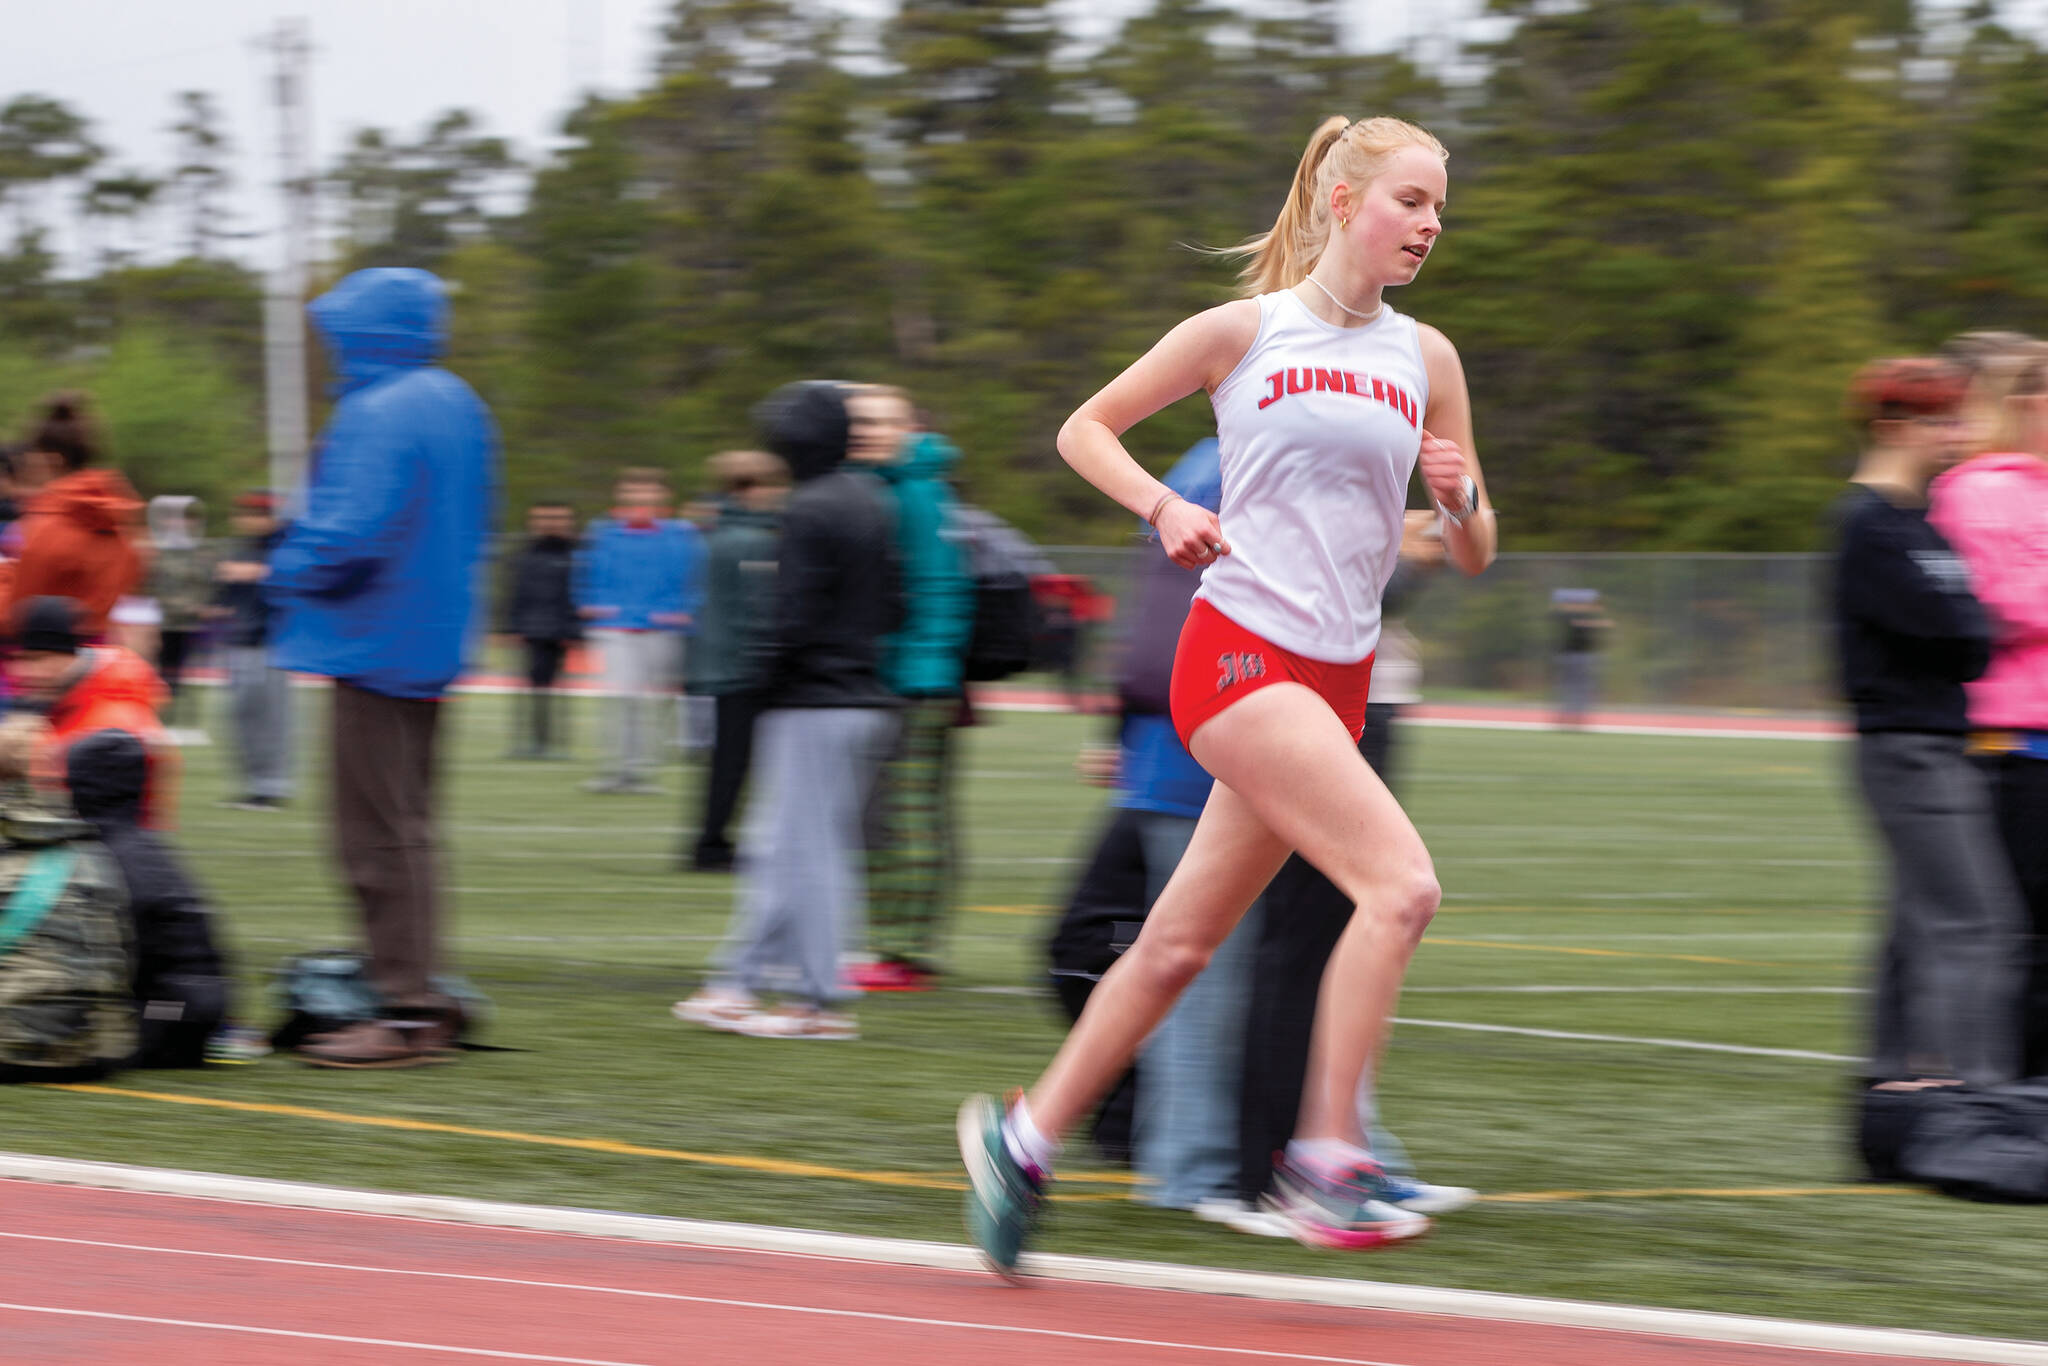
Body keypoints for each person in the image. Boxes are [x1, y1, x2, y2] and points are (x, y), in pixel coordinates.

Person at [958, 114, 1494, 1271]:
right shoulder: (1241, 330)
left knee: (1176, 946)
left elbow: (1472, 552)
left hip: (1335, 679)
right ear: (1345, 202)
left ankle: (1022, 1134)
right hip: (1240, 655)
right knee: (1399, 888)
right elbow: (1083, 428)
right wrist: (1163, 506)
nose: (1430, 224)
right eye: (1411, 200)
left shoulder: (1427, 358)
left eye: (1439, 206)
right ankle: (1325, 1154)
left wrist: (1453, 500)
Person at [265, 266, 498, 1071]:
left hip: (373, 639)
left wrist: (282, 566)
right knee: (409, 826)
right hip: (429, 637)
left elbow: (347, 535)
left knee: (371, 836)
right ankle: (420, 990)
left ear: (369, 330)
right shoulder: (457, 401)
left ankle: (404, 1011)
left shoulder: (376, 409)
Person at [672, 382, 902, 1040]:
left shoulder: (806, 509)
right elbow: (895, 606)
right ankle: (737, 983)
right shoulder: (867, 502)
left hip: (812, 702)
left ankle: (816, 1001)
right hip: (859, 697)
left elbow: (792, 616)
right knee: (783, 847)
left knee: (806, 852)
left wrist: (759, 680)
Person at [1831, 356, 2022, 1091]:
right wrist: (1972, 626)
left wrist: (1971, 627)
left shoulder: (1919, 522)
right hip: (1907, 747)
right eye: (1942, 419)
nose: (1957, 434)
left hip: (1941, 741)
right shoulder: (1868, 526)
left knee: (1919, 926)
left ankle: (1891, 1087)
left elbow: (1967, 632)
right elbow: (1961, 635)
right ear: (1892, 425)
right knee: (1977, 924)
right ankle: (1974, 1095)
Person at [1928, 336, 2048, 1076]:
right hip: (2011, 742)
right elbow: (1991, 602)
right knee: (2016, 929)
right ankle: (2002, 1090)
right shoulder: (1973, 489)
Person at [850, 387, 976, 991]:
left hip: (914, 681)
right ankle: (897, 943)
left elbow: (940, 592)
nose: (865, 431)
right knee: (895, 812)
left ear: (909, 425)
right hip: (910, 676)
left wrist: (925, 668)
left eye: (879, 421)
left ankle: (903, 950)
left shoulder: (916, 493)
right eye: (858, 422)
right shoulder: (904, 486)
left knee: (906, 815)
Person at [67, 729, 231, 1069]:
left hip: (169, 1014)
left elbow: (117, 956)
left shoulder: (109, 856)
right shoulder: (141, 845)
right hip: (193, 1008)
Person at [684, 451, 789, 874]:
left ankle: (712, 838)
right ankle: (713, 844)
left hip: (715, 660)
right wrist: (769, 657)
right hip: (743, 663)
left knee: (724, 760)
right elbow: (760, 607)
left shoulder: (711, 534)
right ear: (753, 489)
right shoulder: (756, 541)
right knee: (738, 762)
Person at [577, 470, 704, 795]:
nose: (640, 500)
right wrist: (590, 604)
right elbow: (585, 572)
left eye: (648, 493)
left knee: (651, 702)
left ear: (663, 497)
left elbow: (697, 577)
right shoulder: (604, 533)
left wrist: (684, 609)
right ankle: (618, 770)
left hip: (662, 629)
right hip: (615, 627)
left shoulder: (681, 535)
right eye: (633, 493)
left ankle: (641, 771)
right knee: (620, 697)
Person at [10, 597, 173, 826]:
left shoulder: (112, 721)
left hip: (105, 847)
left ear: (70, 656)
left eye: (39, 659)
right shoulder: (63, 699)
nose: (25, 671)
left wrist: (35, 756)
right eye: (20, 660)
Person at [2, 394, 147, 642]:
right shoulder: (120, 520)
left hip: (42, 658)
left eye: (31, 460)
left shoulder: (48, 526)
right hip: (96, 654)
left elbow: (16, 613)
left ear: (52, 459)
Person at [210, 492, 294, 811]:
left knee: (270, 718)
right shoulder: (240, 550)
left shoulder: (284, 549)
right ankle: (251, 785)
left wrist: (261, 573)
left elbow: (292, 587)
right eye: (248, 513)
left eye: (260, 513)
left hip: (272, 644)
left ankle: (272, 788)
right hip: (240, 642)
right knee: (240, 716)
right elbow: (225, 594)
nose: (252, 519)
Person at [500, 500, 584, 760]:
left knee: (559, 690)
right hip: (531, 630)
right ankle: (530, 741)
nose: (551, 523)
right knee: (530, 688)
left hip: (561, 632)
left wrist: (574, 630)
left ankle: (557, 743)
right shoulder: (524, 556)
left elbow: (580, 596)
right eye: (544, 517)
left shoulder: (576, 556)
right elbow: (514, 594)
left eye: (558, 517)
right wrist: (512, 627)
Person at [143, 496, 215, 743]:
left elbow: (205, 585)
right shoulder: (161, 553)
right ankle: (161, 720)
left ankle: (185, 721)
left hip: (189, 623)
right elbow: (154, 587)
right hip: (166, 622)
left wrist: (200, 607)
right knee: (164, 672)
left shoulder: (198, 553)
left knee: (188, 674)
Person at [1550, 588, 1609, 730]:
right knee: (1570, 688)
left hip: (1584, 657)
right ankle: (1567, 717)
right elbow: (1579, 623)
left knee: (1582, 688)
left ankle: (1577, 717)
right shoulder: (1568, 615)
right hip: (1571, 656)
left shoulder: (1585, 616)